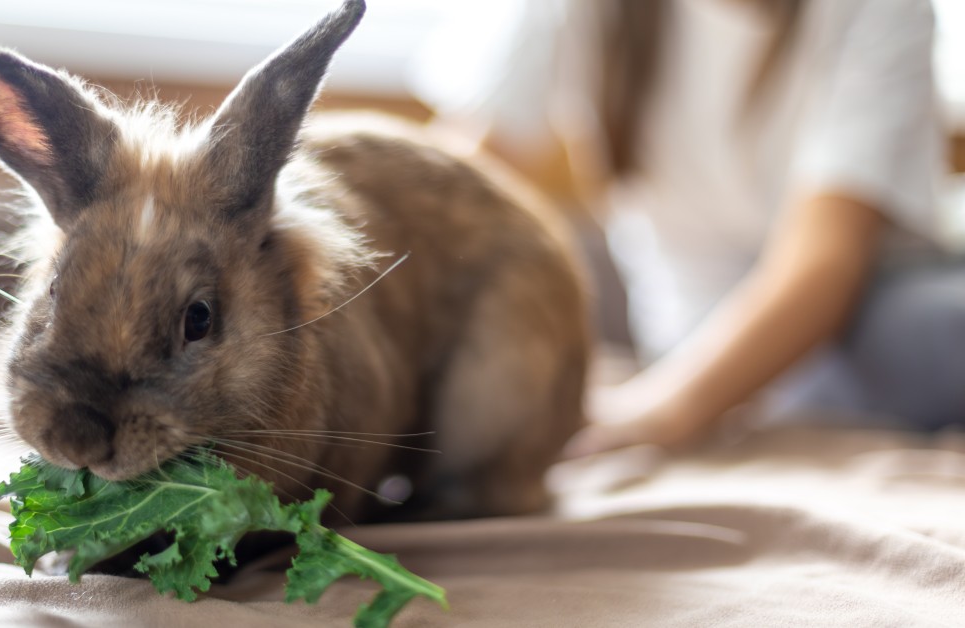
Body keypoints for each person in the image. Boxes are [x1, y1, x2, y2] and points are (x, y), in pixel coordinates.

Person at [412, 0, 965, 455]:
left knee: (939, 326)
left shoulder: (882, 11)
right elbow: (458, 193)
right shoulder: (567, 13)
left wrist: (661, 409)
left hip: (858, 310)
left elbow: (823, 263)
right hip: (688, 323)